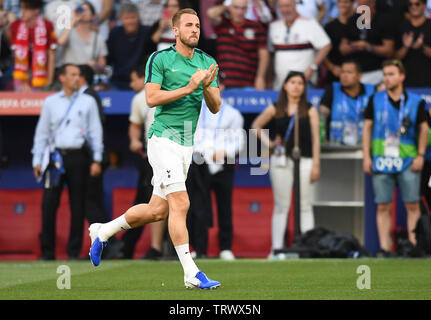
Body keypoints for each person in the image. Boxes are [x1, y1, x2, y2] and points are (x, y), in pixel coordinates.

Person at [88, 8, 222, 289]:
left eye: (197, 25)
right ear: (175, 30)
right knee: (181, 203)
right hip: (162, 139)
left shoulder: (208, 62)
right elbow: (151, 98)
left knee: (157, 211)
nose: (194, 29)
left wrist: (207, 86)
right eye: (188, 25)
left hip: (186, 144)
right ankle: (191, 273)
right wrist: (189, 87)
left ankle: (103, 231)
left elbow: (215, 106)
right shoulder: (160, 58)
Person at [32, 63, 103, 260]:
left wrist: (97, 159)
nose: (76, 78)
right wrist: (37, 159)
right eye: (72, 75)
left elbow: (95, 132)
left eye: (78, 75)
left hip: (78, 156)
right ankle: (47, 252)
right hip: (54, 157)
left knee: (78, 205)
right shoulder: (50, 102)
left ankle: (73, 251)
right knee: (48, 204)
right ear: (61, 77)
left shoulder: (87, 101)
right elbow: (42, 133)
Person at [362, 59, 428, 257]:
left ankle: (414, 245)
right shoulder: (375, 99)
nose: (387, 78)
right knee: (383, 205)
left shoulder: (417, 101)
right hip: (382, 159)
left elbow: (424, 128)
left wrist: (421, 155)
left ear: (402, 76)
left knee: (412, 204)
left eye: (391, 74)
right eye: (385, 74)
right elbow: (367, 127)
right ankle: (384, 247)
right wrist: (367, 156)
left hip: (408, 159)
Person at [251, 71, 321, 258]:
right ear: (285, 85)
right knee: (281, 205)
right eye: (293, 82)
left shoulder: (310, 109)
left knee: (305, 204)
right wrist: (270, 143)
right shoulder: (276, 108)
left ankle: (307, 248)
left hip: (305, 160)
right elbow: (256, 125)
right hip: (281, 161)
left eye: (300, 83)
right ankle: (276, 249)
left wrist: (316, 164)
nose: (297, 86)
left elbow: (316, 139)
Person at [187, 73, 245, 260]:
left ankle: (225, 247)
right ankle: (198, 248)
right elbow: (190, 135)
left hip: (222, 164)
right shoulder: (194, 109)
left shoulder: (232, 113)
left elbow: (238, 140)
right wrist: (201, 152)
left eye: (216, 84)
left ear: (223, 87)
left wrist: (224, 152)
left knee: (224, 206)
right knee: (197, 207)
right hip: (199, 163)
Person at [121, 64, 167, 260]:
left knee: (179, 202)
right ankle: (155, 247)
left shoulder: (175, 91)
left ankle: (183, 248)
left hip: (179, 151)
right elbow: (135, 125)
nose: (132, 85)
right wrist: (134, 140)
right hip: (153, 155)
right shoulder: (140, 99)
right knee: (155, 201)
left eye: (134, 80)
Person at [267, 0, 331, 89]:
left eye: (287, 6)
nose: (284, 10)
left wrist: (312, 68)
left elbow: (326, 45)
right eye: (281, 6)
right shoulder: (274, 26)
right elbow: (270, 54)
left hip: (304, 82)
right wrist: (269, 80)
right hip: (280, 84)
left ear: (295, 5)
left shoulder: (309, 23)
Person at [207, 0, 269, 89]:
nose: (240, 12)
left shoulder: (256, 27)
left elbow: (264, 55)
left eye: (243, 8)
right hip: (224, 83)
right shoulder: (222, 25)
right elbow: (211, 13)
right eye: (236, 8)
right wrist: (226, 7)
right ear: (229, 8)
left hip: (248, 82)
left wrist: (260, 77)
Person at [319, 60, 375, 146]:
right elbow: (322, 118)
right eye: (342, 72)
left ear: (359, 76)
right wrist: (323, 140)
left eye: (349, 72)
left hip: (364, 144)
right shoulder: (332, 89)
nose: (344, 76)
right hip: (336, 145)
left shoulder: (371, 91)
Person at [339, 0, 395, 85]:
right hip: (355, 74)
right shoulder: (352, 21)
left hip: (377, 72)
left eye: (364, 5)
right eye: (359, 5)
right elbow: (343, 49)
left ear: (372, 4)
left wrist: (369, 47)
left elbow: (389, 51)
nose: (362, 8)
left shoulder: (383, 21)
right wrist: (354, 46)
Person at [8, 0, 56, 92]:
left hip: (41, 74)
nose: (22, 11)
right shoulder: (15, 25)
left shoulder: (47, 25)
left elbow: (51, 54)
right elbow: (16, 55)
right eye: (21, 8)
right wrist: (24, 82)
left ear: (36, 10)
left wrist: (50, 80)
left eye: (26, 9)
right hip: (21, 74)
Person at [107, 2, 152, 90]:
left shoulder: (147, 32)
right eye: (126, 18)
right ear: (120, 19)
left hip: (141, 80)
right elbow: (108, 58)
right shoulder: (115, 33)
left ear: (138, 18)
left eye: (133, 17)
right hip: (118, 81)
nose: (130, 21)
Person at [57, 1, 108, 70]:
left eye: (86, 10)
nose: (83, 12)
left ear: (93, 16)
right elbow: (60, 42)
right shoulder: (70, 32)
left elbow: (102, 65)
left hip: (87, 76)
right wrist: (74, 19)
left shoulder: (98, 38)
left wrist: (95, 65)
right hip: (70, 76)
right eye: (81, 9)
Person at [395, 0, 431, 88]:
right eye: (410, 4)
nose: (413, 7)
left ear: (425, 5)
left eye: (417, 4)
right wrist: (406, 47)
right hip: (407, 80)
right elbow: (395, 57)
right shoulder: (401, 27)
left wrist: (422, 47)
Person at [323, 0, 354, 82]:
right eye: (341, 2)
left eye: (346, 2)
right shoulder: (329, 27)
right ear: (337, 4)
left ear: (352, 4)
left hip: (356, 72)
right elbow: (322, 51)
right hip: (335, 72)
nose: (343, 5)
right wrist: (332, 67)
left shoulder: (359, 25)